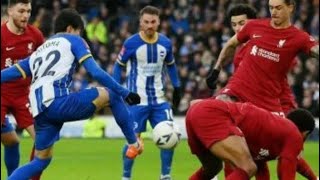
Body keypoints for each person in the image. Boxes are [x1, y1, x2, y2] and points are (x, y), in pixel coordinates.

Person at [1, 8, 143, 179]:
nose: (80, 35)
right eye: (79, 32)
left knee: (40, 161)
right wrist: (125, 92)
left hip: (39, 112)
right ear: (70, 29)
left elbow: (9, 73)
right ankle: (133, 143)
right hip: (58, 102)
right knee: (112, 94)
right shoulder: (74, 41)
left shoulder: (39, 50)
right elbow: (95, 72)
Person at [206, 0, 319, 116]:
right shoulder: (253, 27)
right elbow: (230, 44)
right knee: (211, 105)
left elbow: (314, 50)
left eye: (278, 8)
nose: (273, 12)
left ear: (290, 8)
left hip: (271, 98)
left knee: (292, 131)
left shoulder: (298, 37)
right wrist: (216, 70)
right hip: (240, 91)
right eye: (271, 8)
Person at [112, 6, 181, 180]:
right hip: (137, 100)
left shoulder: (165, 43)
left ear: (159, 22)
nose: (150, 25)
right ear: (141, 23)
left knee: (170, 136)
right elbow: (118, 66)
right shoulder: (131, 43)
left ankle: (166, 176)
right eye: (146, 22)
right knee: (133, 142)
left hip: (159, 100)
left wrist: (177, 87)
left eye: (153, 22)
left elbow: (171, 65)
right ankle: (126, 177)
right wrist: (118, 89)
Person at [186, 99, 317, 180]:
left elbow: (263, 168)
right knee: (247, 167)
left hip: (195, 113)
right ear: (305, 133)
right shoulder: (293, 134)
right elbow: (286, 173)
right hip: (212, 114)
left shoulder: (271, 135)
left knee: (212, 168)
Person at [1, 0, 44, 178]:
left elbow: (44, 63)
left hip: (23, 96)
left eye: (28, 11)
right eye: (21, 11)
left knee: (43, 141)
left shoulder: (35, 35)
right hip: (1, 94)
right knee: (11, 141)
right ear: (10, 11)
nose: (26, 15)